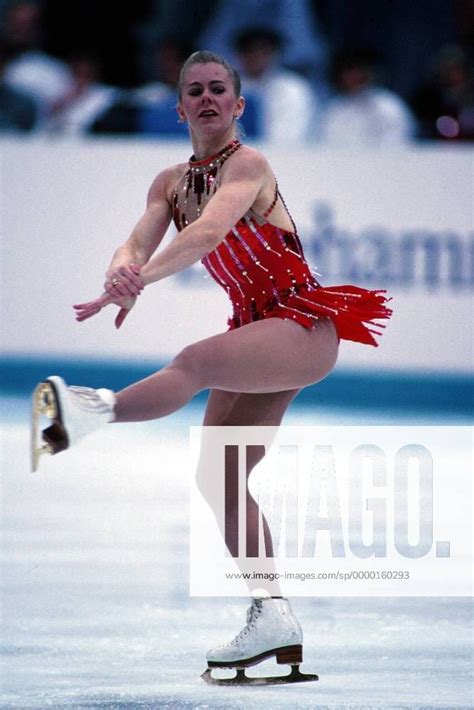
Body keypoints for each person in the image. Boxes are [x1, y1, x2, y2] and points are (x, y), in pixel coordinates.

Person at [31, 50, 392, 685]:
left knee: (193, 361)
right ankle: (273, 613)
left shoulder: (248, 164)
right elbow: (139, 237)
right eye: (194, 90)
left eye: (218, 89)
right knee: (220, 475)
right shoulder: (169, 182)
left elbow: (206, 234)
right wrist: (122, 268)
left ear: (238, 104)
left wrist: (138, 278)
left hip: (302, 323)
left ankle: (91, 412)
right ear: (178, 107)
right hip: (258, 329)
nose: (206, 98)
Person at [320, 47, 416, 148]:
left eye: (359, 70)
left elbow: (400, 144)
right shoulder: (334, 110)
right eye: (349, 70)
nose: (353, 76)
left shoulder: (389, 106)